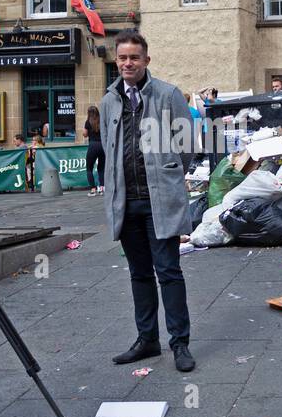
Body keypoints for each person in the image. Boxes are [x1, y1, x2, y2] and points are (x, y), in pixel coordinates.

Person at [102, 29, 197, 373]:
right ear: (117, 60)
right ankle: (147, 340)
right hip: (126, 204)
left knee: (169, 272)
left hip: (160, 202)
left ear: (146, 60)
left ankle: (180, 343)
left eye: (134, 57)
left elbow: (186, 146)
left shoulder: (168, 94)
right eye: (123, 57)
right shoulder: (108, 100)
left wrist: (168, 175)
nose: (128, 63)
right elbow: (108, 149)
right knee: (139, 274)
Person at [83, 105, 105, 196]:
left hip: (92, 145)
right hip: (102, 145)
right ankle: (102, 188)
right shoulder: (101, 121)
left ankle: (93, 189)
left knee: (89, 168)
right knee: (101, 167)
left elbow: (85, 134)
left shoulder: (88, 122)